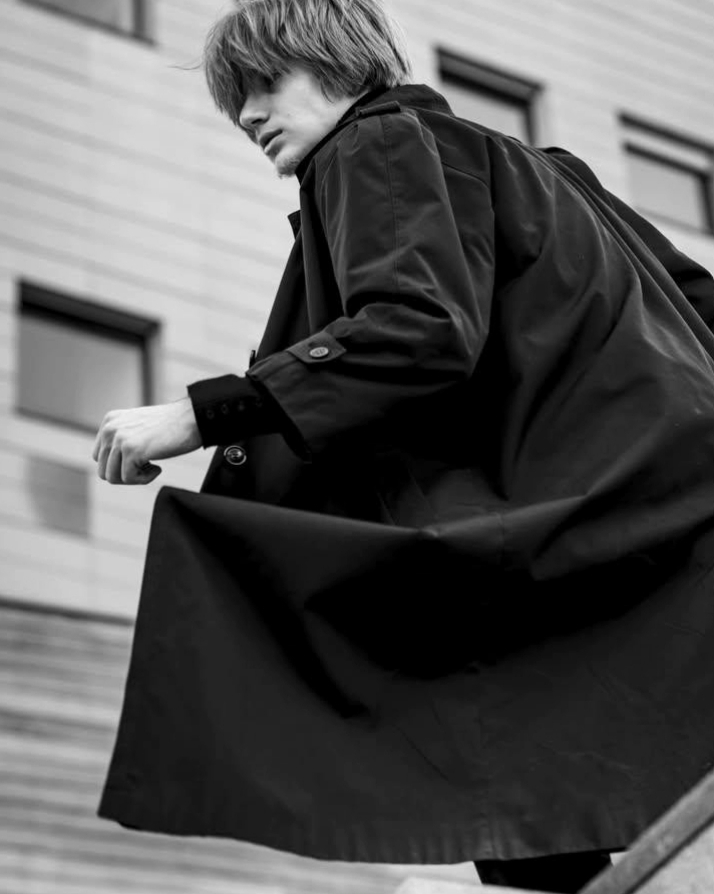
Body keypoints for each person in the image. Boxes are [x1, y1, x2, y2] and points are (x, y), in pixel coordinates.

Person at [93, 1, 714, 891]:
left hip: (577, 503)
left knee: (488, 715)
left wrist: (203, 414)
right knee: (542, 732)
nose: (250, 115)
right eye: (237, 103)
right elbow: (697, 300)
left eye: (266, 83)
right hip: (668, 495)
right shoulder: (549, 172)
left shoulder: (374, 142)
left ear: (340, 62)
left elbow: (416, 328)